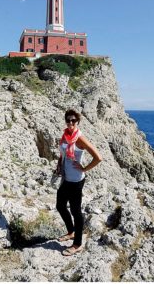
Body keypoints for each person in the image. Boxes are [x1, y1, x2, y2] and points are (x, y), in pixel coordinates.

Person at [52, 109, 102, 256]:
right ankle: (71, 232)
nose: (70, 122)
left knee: (76, 211)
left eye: (73, 120)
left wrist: (84, 168)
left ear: (78, 122)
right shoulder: (65, 135)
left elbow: (98, 157)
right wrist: (59, 164)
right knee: (60, 206)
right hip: (66, 178)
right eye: (68, 120)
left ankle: (77, 244)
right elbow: (62, 153)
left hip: (76, 181)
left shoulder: (80, 139)